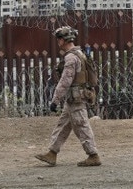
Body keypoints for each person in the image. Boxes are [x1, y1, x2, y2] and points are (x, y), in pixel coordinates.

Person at [35, 26, 102, 166]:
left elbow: (65, 81)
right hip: (74, 98)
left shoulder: (71, 57)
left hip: (76, 97)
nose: (58, 41)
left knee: (82, 125)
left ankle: (93, 155)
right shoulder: (79, 53)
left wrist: (55, 100)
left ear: (63, 40)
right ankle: (52, 153)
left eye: (59, 39)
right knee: (63, 125)